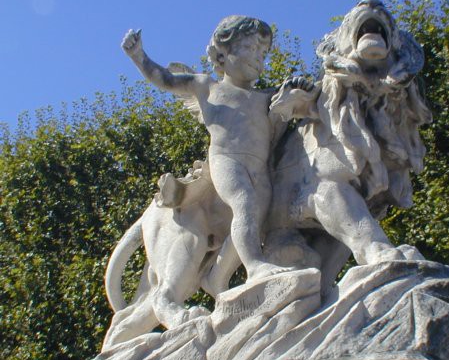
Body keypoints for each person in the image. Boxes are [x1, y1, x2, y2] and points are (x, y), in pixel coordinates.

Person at [121, 15, 314, 280]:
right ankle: (255, 266)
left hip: (260, 169)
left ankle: (218, 278)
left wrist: (298, 88)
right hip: (228, 161)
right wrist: (138, 55)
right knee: (244, 203)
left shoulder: (267, 96)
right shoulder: (206, 86)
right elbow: (164, 78)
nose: (259, 57)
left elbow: (295, 100)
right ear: (222, 55)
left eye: (263, 52)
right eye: (250, 48)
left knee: (255, 219)